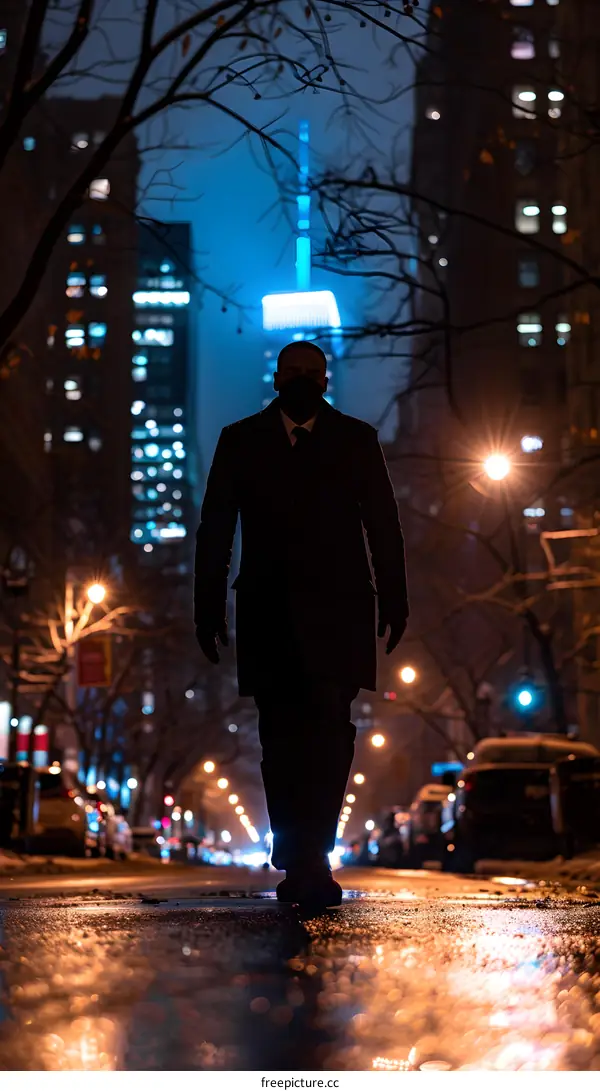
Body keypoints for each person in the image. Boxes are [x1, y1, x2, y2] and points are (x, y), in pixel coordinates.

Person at [194, 341, 408, 907]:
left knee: (330, 734)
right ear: (278, 377)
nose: (304, 382)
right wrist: (207, 604)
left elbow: (383, 522)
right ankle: (300, 853)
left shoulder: (356, 439)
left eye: (312, 374)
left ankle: (311, 851)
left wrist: (395, 597)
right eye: (295, 373)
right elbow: (215, 525)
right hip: (268, 609)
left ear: (325, 379)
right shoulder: (240, 440)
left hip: (340, 611)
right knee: (281, 737)